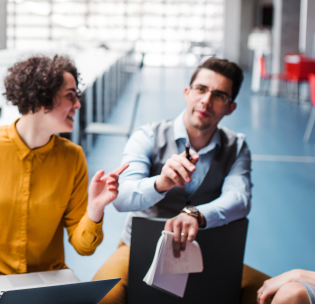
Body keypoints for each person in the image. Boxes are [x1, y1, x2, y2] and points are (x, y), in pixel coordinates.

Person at [93, 57, 269, 304]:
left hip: (206, 250)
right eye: (201, 89)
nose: (206, 100)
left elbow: (239, 199)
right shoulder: (148, 136)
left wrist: (195, 214)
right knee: (101, 298)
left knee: (273, 295)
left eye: (219, 95)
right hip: (139, 249)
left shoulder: (237, 146)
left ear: (230, 107)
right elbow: (121, 198)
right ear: (187, 92)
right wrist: (161, 183)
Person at [0, 55, 128, 295]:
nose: (78, 105)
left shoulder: (72, 157)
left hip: (49, 281)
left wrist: (95, 209)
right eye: (70, 95)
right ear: (41, 97)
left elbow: (84, 247)